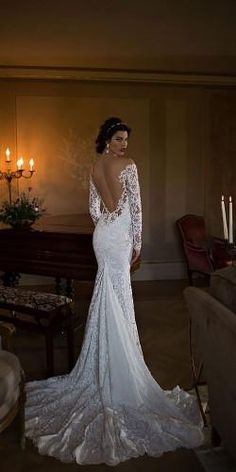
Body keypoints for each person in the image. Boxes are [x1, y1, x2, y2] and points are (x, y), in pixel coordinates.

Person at [25, 117, 204, 466]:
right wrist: (137, 244)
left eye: (126, 141)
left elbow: (95, 210)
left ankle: (103, 361)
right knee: (119, 297)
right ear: (108, 138)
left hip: (102, 236)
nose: (124, 145)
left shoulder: (95, 166)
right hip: (119, 237)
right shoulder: (129, 166)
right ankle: (122, 365)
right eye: (119, 139)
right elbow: (135, 209)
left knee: (106, 294)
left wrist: (109, 227)